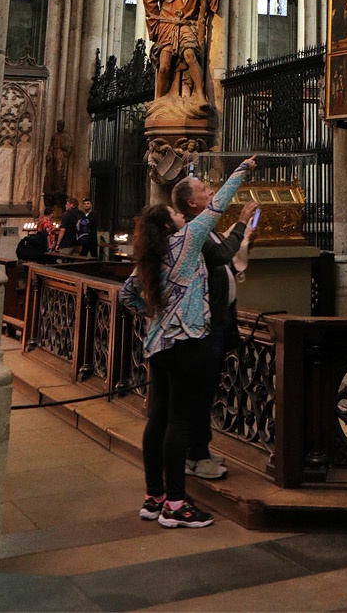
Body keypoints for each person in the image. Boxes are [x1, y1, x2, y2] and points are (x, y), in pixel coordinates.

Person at [120, 155, 255, 528]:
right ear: (170, 224)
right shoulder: (186, 240)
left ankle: (154, 496)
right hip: (189, 342)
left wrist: (156, 315)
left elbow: (127, 296)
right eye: (176, 215)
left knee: (158, 419)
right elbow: (218, 204)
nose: (183, 217)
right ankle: (176, 505)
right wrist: (242, 170)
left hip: (160, 343)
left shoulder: (150, 255)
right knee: (179, 423)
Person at [171, 176, 259, 479]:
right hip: (206, 324)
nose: (211, 191)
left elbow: (227, 261)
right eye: (204, 190)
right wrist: (241, 222)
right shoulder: (194, 232)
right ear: (192, 203)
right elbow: (221, 254)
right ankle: (194, 455)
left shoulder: (205, 229)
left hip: (220, 318)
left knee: (206, 389)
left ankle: (199, 450)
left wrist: (244, 235)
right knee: (201, 390)